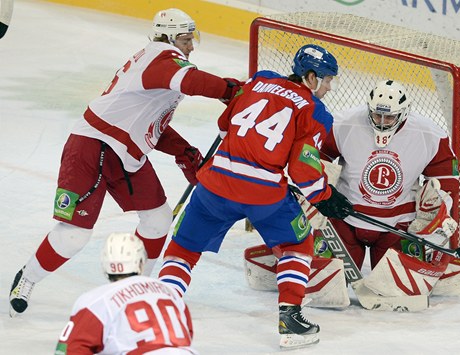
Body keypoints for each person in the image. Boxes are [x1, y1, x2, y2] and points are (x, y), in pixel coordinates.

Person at [9, 8, 242, 317]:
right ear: (170, 38)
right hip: (92, 147)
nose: (192, 46)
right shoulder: (160, 59)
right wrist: (232, 90)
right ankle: (26, 279)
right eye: (187, 39)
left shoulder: (162, 64)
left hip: (125, 154)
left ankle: (132, 289)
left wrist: (182, 150)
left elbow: (148, 122)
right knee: (75, 233)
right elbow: (194, 82)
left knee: (158, 220)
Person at [157, 44, 353, 349]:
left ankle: (160, 310)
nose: (329, 86)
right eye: (327, 79)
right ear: (311, 77)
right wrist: (325, 196)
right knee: (297, 244)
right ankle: (290, 320)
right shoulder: (314, 110)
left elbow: (224, 127)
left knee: (184, 246)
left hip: (214, 185)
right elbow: (303, 169)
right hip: (263, 194)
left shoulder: (259, 80)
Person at [317, 79, 460, 297]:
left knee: (394, 291)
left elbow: (446, 180)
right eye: (376, 115)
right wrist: (321, 193)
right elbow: (315, 158)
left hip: (397, 226)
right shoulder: (344, 123)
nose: (381, 122)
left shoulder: (430, 135)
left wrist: (440, 212)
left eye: (389, 117)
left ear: (404, 113)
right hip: (345, 218)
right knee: (327, 286)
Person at [54, 233, 197, 354]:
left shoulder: (96, 300)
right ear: (141, 262)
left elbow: (71, 349)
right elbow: (187, 335)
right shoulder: (169, 292)